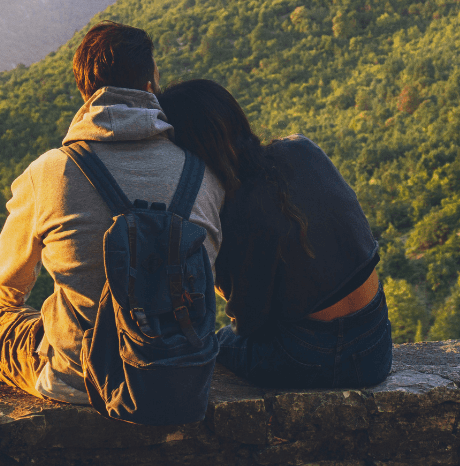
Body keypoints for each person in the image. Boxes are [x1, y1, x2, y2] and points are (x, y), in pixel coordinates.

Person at [0, 24, 224, 466]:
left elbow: (9, 285)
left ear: (85, 91)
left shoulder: (49, 171)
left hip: (75, 377)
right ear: (151, 84)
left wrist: (17, 302)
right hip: (177, 371)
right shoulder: (201, 172)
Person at [158, 79, 392, 389]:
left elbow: (250, 323)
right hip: (377, 344)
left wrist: (215, 270)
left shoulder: (238, 209)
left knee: (213, 344)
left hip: (312, 355)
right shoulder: (301, 148)